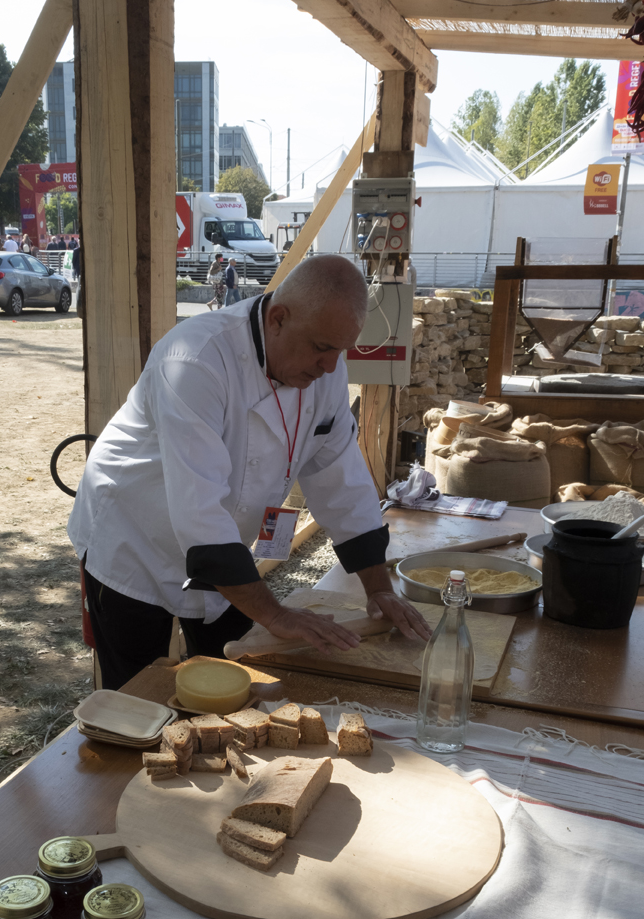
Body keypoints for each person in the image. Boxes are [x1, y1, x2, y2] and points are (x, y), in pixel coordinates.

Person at [68, 255, 430, 690]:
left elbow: (341, 479)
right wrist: (276, 614)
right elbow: (200, 514)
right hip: (134, 536)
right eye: (321, 348)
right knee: (136, 695)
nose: (332, 367)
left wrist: (379, 589)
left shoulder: (324, 370)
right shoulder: (196, 361)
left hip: (221, 546)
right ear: (277, 319)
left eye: (340, 350)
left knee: (232, 680)